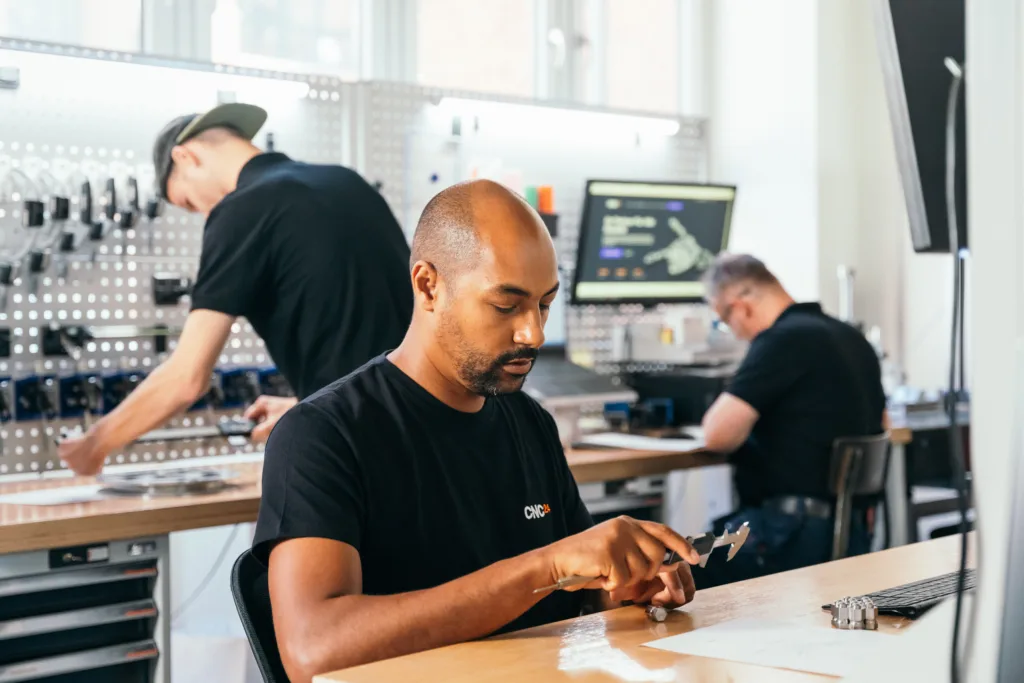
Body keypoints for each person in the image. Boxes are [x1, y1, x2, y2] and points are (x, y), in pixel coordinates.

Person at [253, 180, 700, 683]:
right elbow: (314, 650)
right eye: (506, 306)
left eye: (545, 304)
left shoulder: (529, 422)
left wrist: (623, 584)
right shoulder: (324, 435)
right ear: (428, 286)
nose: (534, 333)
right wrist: (546, 567)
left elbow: (577, 580)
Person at [58, 103, 413, 475]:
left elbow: (186, 379)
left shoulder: (241, 210)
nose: (204, 215)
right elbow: (372, 335)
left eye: (189, 202)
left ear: (186, 156)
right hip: (429, 430)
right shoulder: (346, 183)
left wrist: (95, 444)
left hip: (360, 457)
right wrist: (308, 405)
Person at [693, 254, 887, 587]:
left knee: (678, 562)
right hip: (853, 536)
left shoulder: (782, 340)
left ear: (740, 306)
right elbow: (885, 422)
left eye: (724, 319)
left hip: (786, 534)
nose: (735, 333)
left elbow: (716, 436)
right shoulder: (850, 337)